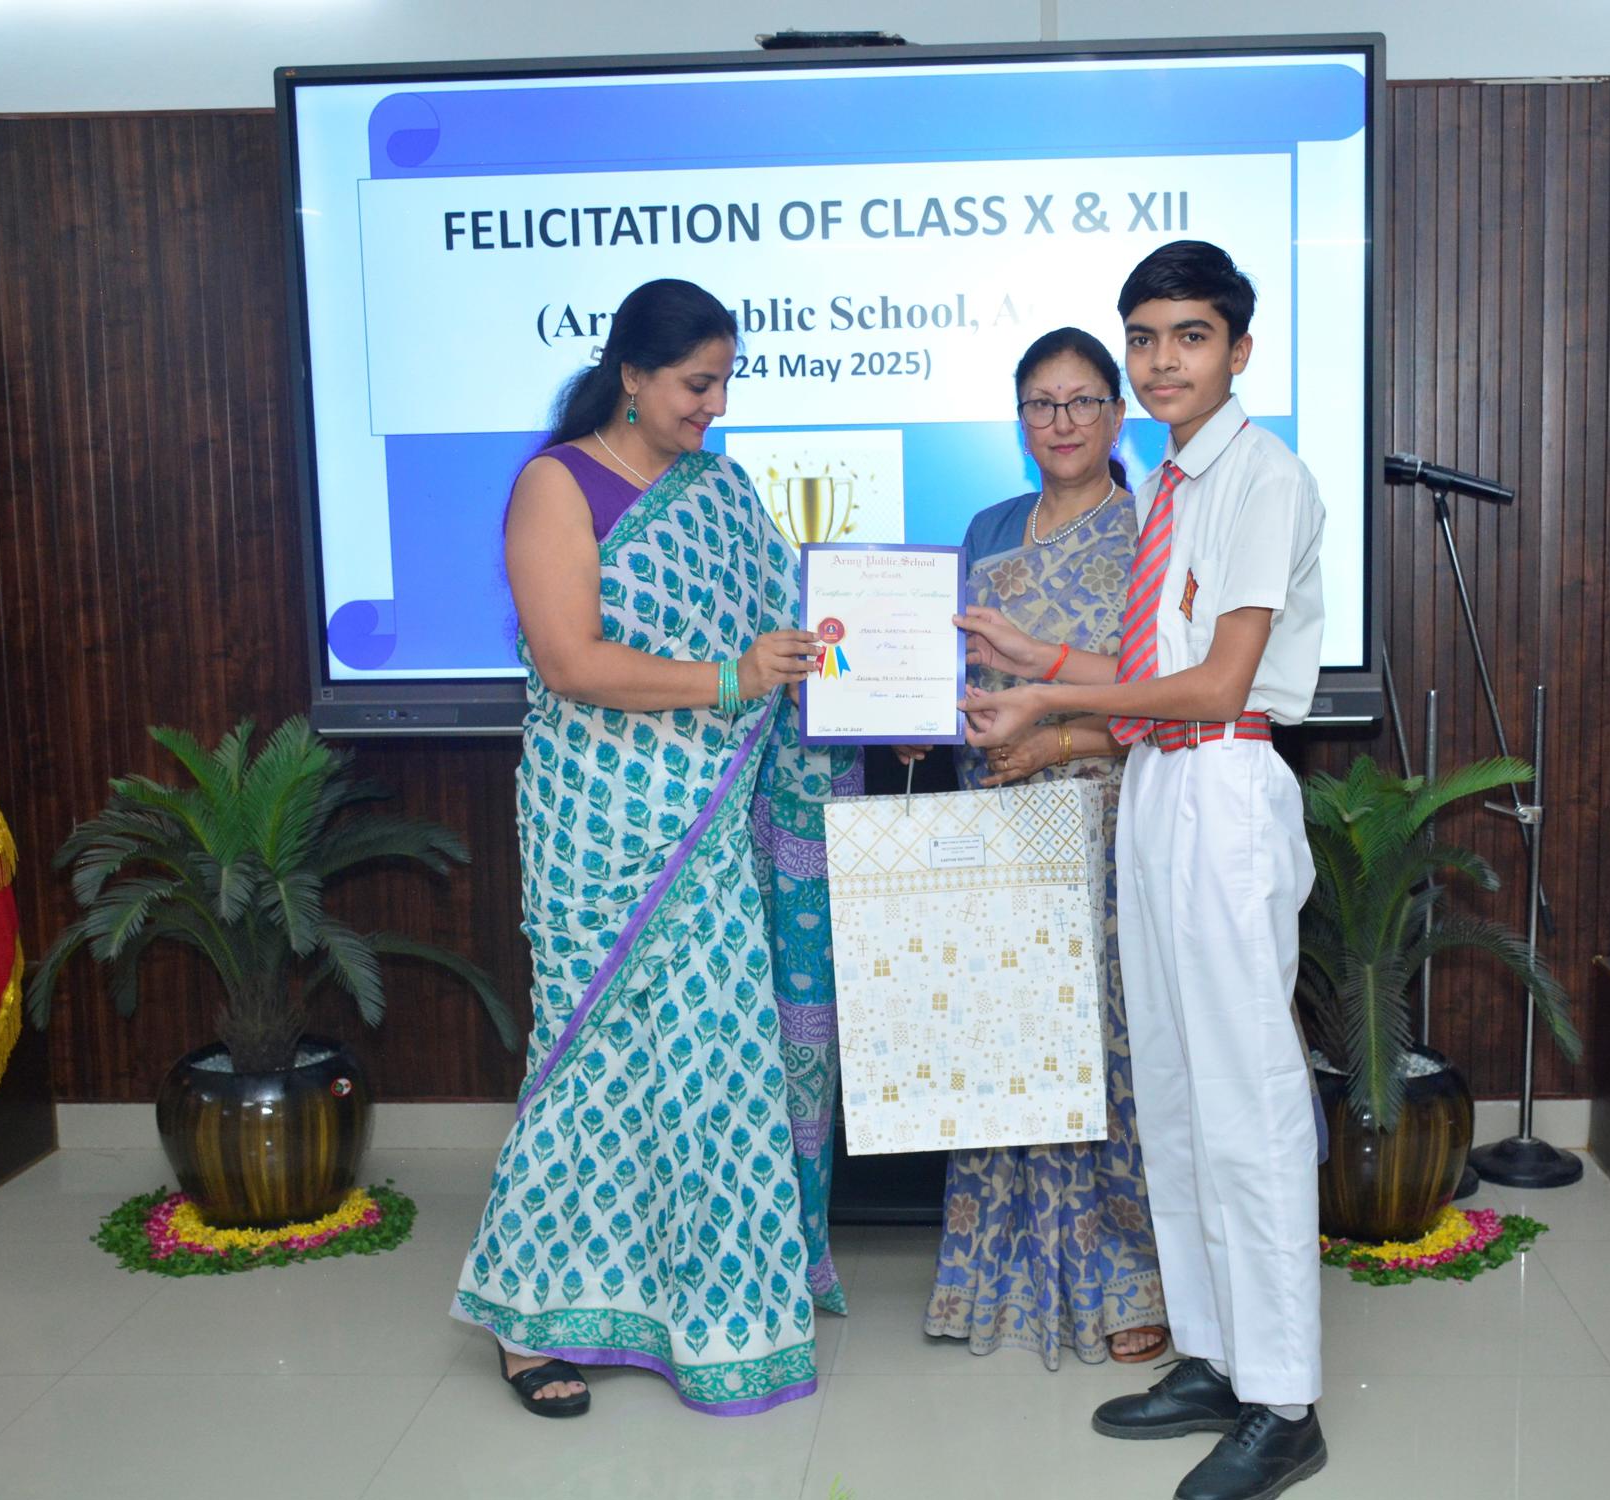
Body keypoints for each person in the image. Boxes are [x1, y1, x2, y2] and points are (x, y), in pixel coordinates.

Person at [959, 243, 1329, 1500]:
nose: (1163, 360)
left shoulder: (1262, 478)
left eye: (1190, 336)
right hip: (1158, 787)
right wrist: (1035, 654)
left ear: (1239, 349)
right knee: (1170, 1090)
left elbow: (1217, 683)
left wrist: (1047, 698)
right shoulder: (1170, 479)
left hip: (1224, 780)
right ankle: (1215, 1358)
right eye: (1146, 338)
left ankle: (1285, 1401)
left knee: (1246, 1098)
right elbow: (1151, 663)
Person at [454, 278, 859, 1419]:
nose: (714, 407)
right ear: (631, 374)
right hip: (600, 826)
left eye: (725, 384)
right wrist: (729, 680)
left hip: (713, 830)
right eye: (696, 383)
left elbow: (787, 644)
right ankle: (531, 1323)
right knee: (589, 1066)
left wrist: (863, 688)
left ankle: (711, 1309)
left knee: (713, 1064)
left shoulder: (721, 491)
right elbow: (571, 661)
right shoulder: (557, 484)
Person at [904, 327, 1170, 1370]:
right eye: (1040, 405)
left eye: (1082, 401)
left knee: (1108, 1058)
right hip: (997, 827)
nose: (1061, 423)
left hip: (1105, 823)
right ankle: (993, 1268)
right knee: (1003, 1048)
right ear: (1019, 421)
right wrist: (914, 716)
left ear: (1116, 414)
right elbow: (959, 675)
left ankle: (1127, 1279)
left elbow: (1170, 698)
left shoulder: (1150, 532)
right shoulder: (988, 528)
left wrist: (1055, 740)